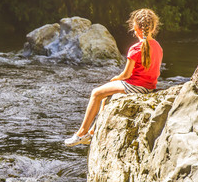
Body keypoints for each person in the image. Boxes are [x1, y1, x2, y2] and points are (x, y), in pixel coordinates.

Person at [64, 8, 163, 147]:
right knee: (105, 98)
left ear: (136, 28)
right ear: (153, 27)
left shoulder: (136, 48)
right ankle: (92, 133)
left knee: (96, 93)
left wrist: (117, 78)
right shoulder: (158, 46)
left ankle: (80, 133)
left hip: (134, 86)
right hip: (149, 87)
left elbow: (127, 74)